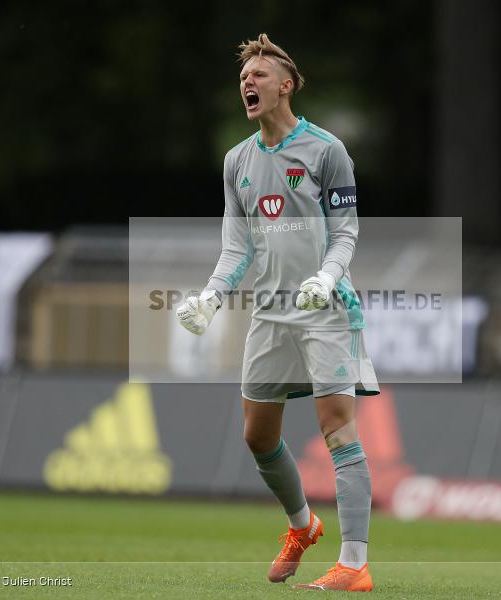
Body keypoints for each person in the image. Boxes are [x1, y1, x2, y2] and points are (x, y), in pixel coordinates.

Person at [176, 33, 377, 592]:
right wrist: (212, 297)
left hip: (326, 310)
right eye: (244, 76)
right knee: (258, 436)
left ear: (285, 85)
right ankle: (302, 526)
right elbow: (237, 248)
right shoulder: (236, 161)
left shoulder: (327, 151)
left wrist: (325, 278)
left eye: (259, 74)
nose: (248, 81)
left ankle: (355, 565)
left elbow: (346, 234)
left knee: (338, 431)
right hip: (269, 314)